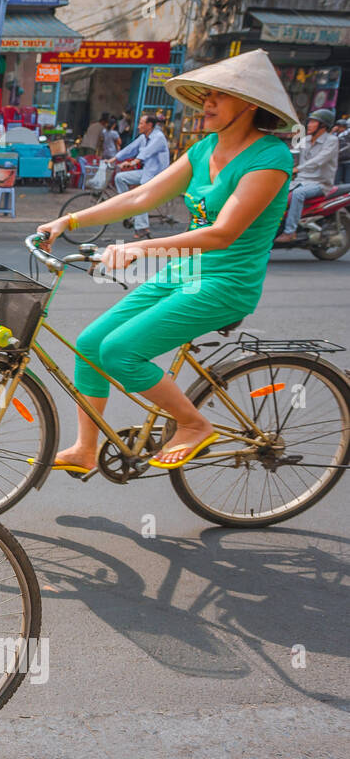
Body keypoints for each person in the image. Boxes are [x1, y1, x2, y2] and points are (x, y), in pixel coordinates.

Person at [34, 48, 296, 472]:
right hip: (183, 273)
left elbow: (223, 232)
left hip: (226, 284)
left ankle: (193, 424)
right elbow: (141, 195)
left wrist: (139, 248)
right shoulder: (203, 150)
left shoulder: (270, 158)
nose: (207, 104)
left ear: (249, 104)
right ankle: (85, 449)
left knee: (120, 351)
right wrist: (70, 219)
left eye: (220, 96)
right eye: (206, 95)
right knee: (88, 346)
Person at [276, 108, 338, 242]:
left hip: (320, 184)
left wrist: (298, 169)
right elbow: (292, 151)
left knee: (298, 194)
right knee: (276, 192)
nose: (309, 125)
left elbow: (319, 160)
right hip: (301, 180)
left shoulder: (332, 141)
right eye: (309, 122)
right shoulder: (306, 139)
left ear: (323, 125)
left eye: (313, 122)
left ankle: (290, 231)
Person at [109, 113, 171, 239]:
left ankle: (142, 227)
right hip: (146, 172)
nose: (138, 126)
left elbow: (147, 152)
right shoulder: (143, 137)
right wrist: (114, 159)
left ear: (149, 125)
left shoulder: (158, 137)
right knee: (119, 178)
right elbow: (131, 148)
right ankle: (128, 204)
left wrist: (133, 162)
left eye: (141, 123)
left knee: (140, 196)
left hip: (157, 175)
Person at [335, 118, 350, 185]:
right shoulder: (334, 136)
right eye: (338, 126)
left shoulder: (347, 134)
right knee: (336, 182)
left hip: (348, 162)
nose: (340, 128)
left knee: (348, 182)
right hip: (338, 162)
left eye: (342, 127)